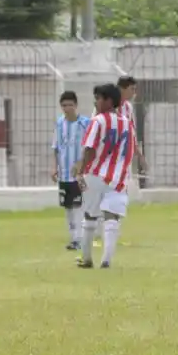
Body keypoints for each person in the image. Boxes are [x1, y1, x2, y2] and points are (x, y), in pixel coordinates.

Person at [76, 83, 136, 269]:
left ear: (108, 100)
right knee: (112, 217)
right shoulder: (127, 123)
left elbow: (90, 148)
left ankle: (86, 259)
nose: (96, 102)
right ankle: (106, 260)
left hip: (95, 175)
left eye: (99, 98)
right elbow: (130, 151)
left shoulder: (98, 120)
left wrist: (80, 170)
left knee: (90, 215)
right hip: (118, 178)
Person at [51, 91, 91, 250]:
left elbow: (90, 147)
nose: (67, 108)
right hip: (64, 173)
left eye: (70, 105)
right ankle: (74, 237)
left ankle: (80, 238)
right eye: (64, 105)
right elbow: (55, 147)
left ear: (76, 106)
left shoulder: (85, 123)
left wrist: (81, 163)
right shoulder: (60, 123)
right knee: (68, 207)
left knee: (79, 205)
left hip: (81, 174)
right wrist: (54, 167)